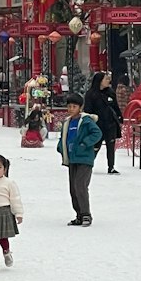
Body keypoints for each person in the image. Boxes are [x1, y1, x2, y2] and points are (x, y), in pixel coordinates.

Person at [57, 90, 103, 226]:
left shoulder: (86, 121)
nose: (71, 109)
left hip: (84, 158)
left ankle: (86, 214)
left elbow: (97, 133)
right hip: (72, 159)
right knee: (73, 188)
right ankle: (79, 214)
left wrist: (85, 143)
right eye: (69, 106)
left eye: (74, 106)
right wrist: (60, 147)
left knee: (80, 185)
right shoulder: (67, 122)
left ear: (80, 108)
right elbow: (64, 137)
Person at [84, 70, 123, 174]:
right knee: (96, 145)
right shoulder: (91, 94)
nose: (108, 81)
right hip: (97, 125)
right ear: (100, 81)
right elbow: (87, 110)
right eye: (106, 79)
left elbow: (115, 107)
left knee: (111, 145)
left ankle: (111, 166)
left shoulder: (110, 92)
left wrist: (119, 117)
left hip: (110, 124)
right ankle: (88, 164)